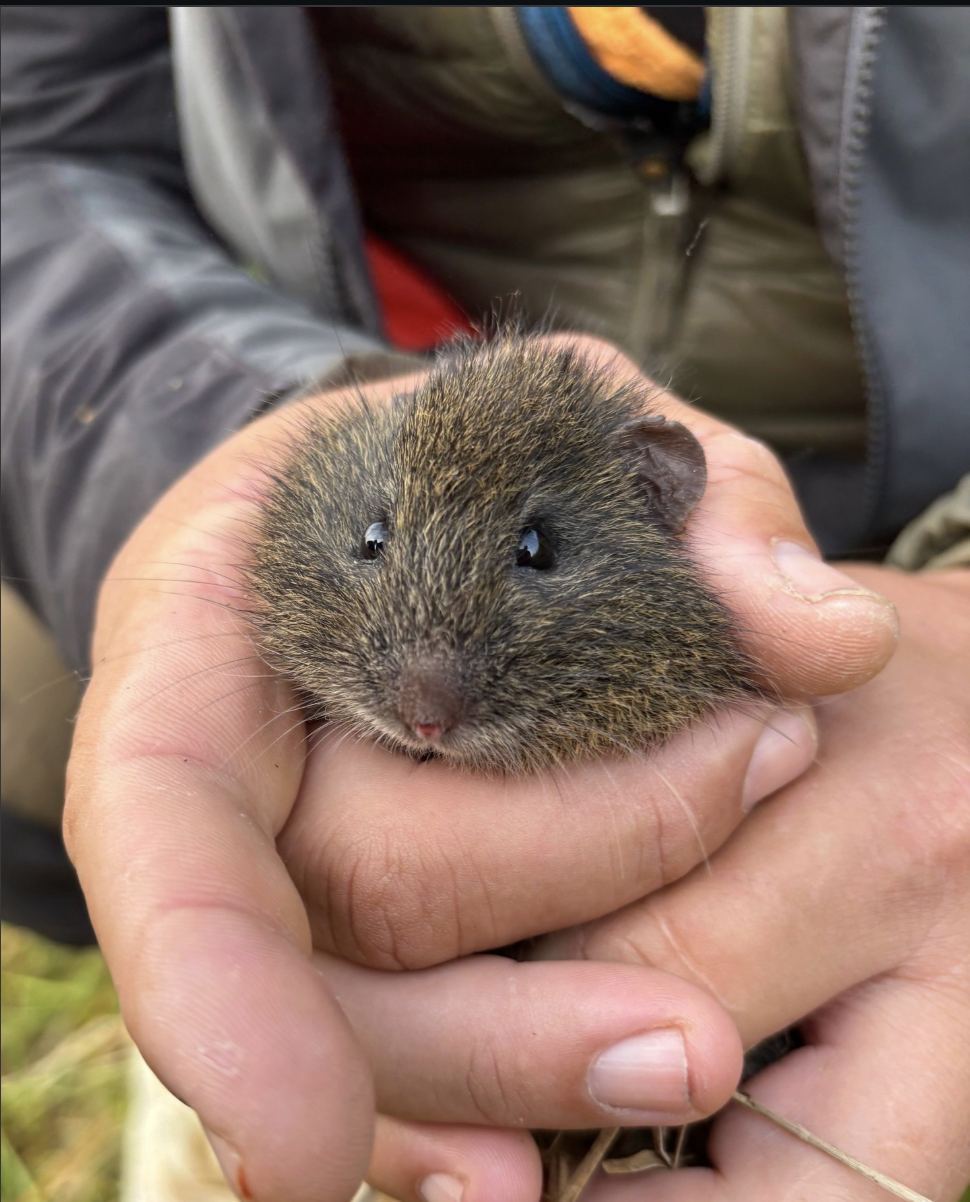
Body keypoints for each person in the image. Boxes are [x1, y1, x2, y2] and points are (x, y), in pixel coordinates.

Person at [2, 8, 968, 1202]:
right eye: (371, 543)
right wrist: (218, 422)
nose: (423, 695)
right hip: (332, 345)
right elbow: (30, 142)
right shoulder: (333, 497)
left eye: (532, 553)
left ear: (659, 498)